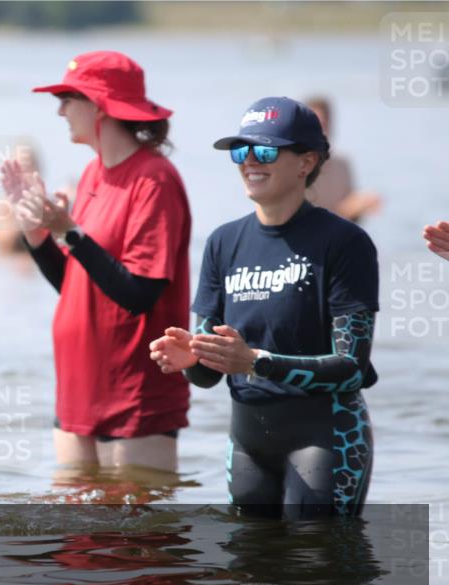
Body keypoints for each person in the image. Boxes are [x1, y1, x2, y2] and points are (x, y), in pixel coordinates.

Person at [149, 97, 379, 518]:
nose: (250, 161)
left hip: (326, 437)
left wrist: (256, 361)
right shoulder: (223, 243)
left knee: (318, 571)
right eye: (241, 151)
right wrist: (192, 360)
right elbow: (208, 375)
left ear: (306, 162)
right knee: (249, 573)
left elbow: (351, 366)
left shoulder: (345, 243)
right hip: (248, 441)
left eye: (267, 151)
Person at [0, 51, 192, 472]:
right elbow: (78, 284)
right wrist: (36, 231)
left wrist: (69, 231)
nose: (60, 109)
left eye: (69, 97)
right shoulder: (92, 174)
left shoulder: (154, 179)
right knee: (74, 534)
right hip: (77, 390)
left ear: (102, 104)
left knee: (136, 535)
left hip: (133, 394)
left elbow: (138, 294)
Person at [305, 96, 382, 224]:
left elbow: (351, 219)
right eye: (315, 126)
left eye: (324, 125)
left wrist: (360, 206)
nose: (320, 132)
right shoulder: (294, 167)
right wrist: (349, 209)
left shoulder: (342, 164)